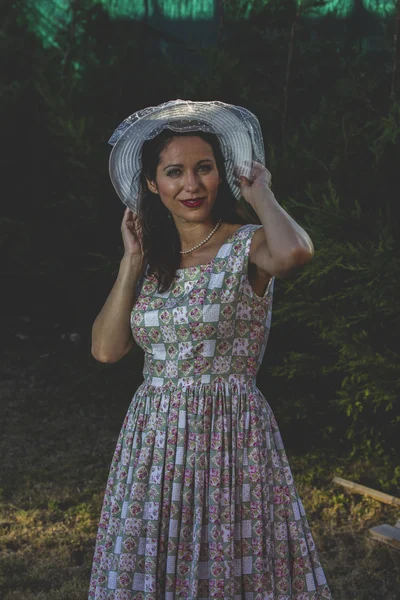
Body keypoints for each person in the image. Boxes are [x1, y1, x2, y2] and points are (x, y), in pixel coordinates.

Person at [88, 100, 332, 600]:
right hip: (153, 441)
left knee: (228, 560)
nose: (192, 186)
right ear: (154, 186)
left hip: (230, 434)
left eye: (204, 168)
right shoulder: (152, 264)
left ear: (222, 174)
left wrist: (260, 192)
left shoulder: (249, 244)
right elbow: (107, 350)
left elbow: (295, 253)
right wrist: (130, 263)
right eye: (174, 172)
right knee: (156, 559)